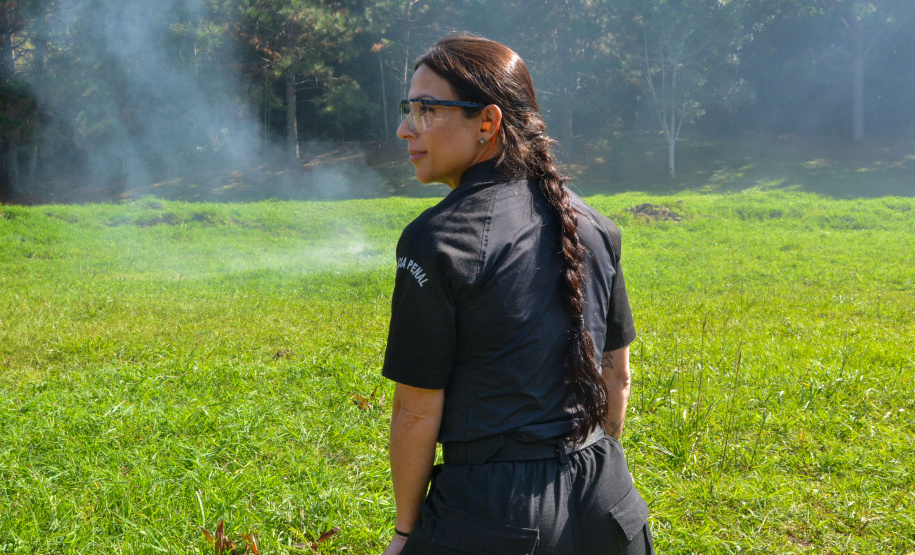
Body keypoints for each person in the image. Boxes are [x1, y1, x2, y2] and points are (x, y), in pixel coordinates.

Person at [381, 35, 653, 555]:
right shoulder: (597, 225)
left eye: (427, 109)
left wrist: (405, 532)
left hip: (494, 516)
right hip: (611, 504)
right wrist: (595, 466)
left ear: (487, 122)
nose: (405, 128)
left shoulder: (437, 239)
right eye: (408, 109)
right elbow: (616, 377)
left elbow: (415, 412)